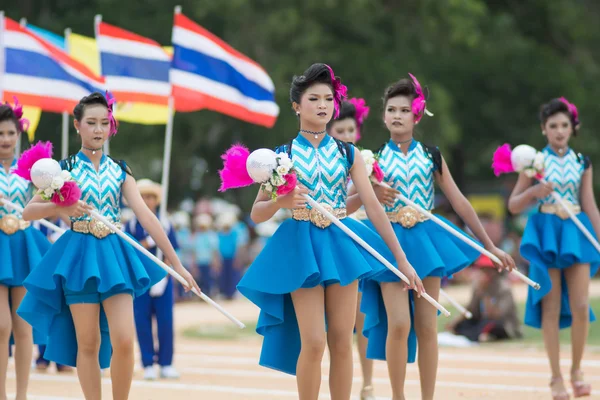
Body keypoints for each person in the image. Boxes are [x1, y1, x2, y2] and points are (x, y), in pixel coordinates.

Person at [236, 63, 422, 400]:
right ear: (296, 105)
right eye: (313, 98)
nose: (323, 105)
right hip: (301, 247)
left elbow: (374, 207)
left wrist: (402, 261)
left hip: (340, 244)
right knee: (314, 342)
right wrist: (283, 201)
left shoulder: (347, 153)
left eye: (328, 99)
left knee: (341, 340)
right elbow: (257, 212)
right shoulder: (281, 158)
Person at [17, 92, 199, 400]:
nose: (98, 130)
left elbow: (147, 216)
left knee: (125, 340)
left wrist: (175, 263)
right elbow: (28, 212)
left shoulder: (120, 170)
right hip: (78, 258)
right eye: (90, 123)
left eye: (104, 123)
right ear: (77, 125)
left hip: (114, 257)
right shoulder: (63, 170)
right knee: (87, 343)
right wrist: (62, 209)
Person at [353, 75, 514, 400]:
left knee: (427, 327)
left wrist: (489, 243)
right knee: (398, 325)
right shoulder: (371, 159)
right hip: (390, 243)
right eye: (391, 109)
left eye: (404, 110)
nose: (397, 115)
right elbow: (358, 199)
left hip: (427, 242)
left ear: (417, 115)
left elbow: (458, 200)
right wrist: (370, 187)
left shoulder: (432, 155)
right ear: (383, 115)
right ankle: (398, 395)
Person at [508, 97, 599, 399]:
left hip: (576, 231)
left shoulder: (582, 162)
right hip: (546, 232)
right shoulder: (535, 163)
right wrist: (534, 190)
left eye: (564, 125)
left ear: (573, 128)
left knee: (581, 305)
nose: (559, 131)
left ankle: (576, 371)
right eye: (553, 126)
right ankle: (556, 377)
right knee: (550, 305)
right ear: (543, 129)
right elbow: (513, 204)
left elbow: (590, 204)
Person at [0, 99, 51, 400]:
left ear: (18, 135)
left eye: (10, 133)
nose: (5, 139)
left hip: (22, 247)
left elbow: (45, 205)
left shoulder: (31, 171)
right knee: (0, 325)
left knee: (23, 327)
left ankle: (21, 395)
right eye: (0, 133)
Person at [327, 97, 376, 400]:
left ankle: (367, 383)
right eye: (340, 130)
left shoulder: (363, 161)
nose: (346, 135)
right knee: (336, 328)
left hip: (359, 244)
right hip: (331, 244)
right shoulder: (326, 163)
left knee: (363, 319)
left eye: (350, 130)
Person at [125, 179, 180, 380]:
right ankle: (147, 362)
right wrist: (148, 241)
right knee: (142, 321)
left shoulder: (165, 222)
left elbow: (171, 249)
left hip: (162, 279)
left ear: (156, 200)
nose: (147, 201)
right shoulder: (130, 224)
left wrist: (165, 274)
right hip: (140, 280)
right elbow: (129, 249)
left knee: (166, 321)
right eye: (143, 197)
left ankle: (166, 363)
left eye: (150, 197)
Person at [446, 255, 522, 343]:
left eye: (489, 270)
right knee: (464, 324)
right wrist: (455, 322)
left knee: (491, 325)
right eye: (483, 269)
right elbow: (471, 309)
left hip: (502, 324)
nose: (486, 273)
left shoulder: (503, 288)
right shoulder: (478, 286)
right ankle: (476, 335)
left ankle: (483, 336)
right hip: (482, 320)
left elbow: (495, 315)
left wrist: (485, 294)